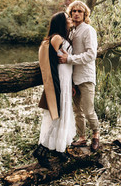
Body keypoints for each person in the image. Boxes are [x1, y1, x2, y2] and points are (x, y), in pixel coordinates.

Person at [33, 12, 76, 168]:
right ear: (61, 22)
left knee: (63, 114)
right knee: (55, 116)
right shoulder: (56, 38)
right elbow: (49, 60)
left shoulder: (63, 37)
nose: (70, 19)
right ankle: (41, 150)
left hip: (66, 80)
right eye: (67, 18)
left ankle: (59, 148)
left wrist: (71, 84)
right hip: (59, 80)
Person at [58, 0, 100, 152]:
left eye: (79, 11)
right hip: (73, 77)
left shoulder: (88, 30)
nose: (76, 13)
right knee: (78, 111)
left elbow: (91, 54)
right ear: (70, 14)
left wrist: (69, 59)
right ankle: (82, 138)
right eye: (73, 11)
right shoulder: (72, 31)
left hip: (86, 77)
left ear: (85, 14)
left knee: (89, 110)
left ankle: (95, 136)